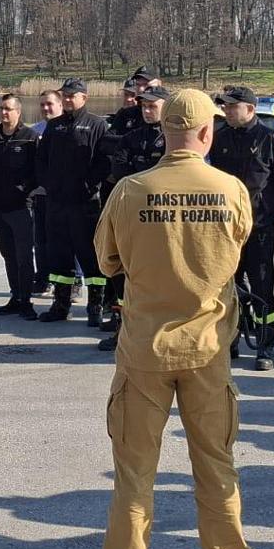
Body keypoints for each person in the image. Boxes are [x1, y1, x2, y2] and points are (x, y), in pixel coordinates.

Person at [93, 88, 253, 549]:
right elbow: (238, 248)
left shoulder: (131, 190)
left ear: (165, 131)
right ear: (208, 132)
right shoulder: (230, 190)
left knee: (135, 471)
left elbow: (108, 261)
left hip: (144, 352)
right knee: (215, 464)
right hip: (207, 351)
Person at [210, 85, 274, 371]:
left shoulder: (272, 140)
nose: (227, 111)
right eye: (225, 107)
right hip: (226, 230)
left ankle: (265, 342)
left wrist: (265, 217)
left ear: (249, 108)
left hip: (258, 229)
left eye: (232, 106)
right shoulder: (219, 139)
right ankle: (231, 337)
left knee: (261, 286)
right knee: (227, 285)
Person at [96, 84, 171, 352]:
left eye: (152, 106)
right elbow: (121, 173)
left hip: (162, 222)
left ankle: (158, 333)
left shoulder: (173, 139)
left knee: (159, 280)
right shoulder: (131, 137)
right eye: (144, 106)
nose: (147, 110)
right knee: (124, 277)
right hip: (132, 218)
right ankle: (122, 328)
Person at [35, 78, 112, 325]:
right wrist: (50, 185)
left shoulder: (97, 125)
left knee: (90, 257)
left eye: (72, 95)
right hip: (57, 204)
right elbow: (42, 160)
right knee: (58, 256)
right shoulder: (54, 126)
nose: (68, 99)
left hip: (85, 204)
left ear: (84, 98)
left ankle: (95, 307)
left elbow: (104, 162)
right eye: (65, 95)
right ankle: (61, 304)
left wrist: (89, 186)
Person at [0, 93, 40, 319]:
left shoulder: (30, 137)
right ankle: (15, 297)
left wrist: (24, 189)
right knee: (8, 255)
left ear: (18, 112)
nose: (4, 113)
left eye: (8, 109)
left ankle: (26, 300)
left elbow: (37, 171)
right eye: (2, 108)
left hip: (21, 208)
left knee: (24, 256)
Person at [29, 90, 68, 297]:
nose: (45, 108)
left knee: (65, 241)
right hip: (40, 195)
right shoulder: (35, 131)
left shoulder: (67, 129)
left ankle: (73, 282)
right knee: (40, 241)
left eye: (50, 104)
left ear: (60, 105)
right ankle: (43, 278)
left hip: (62, 196)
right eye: (42, 104)